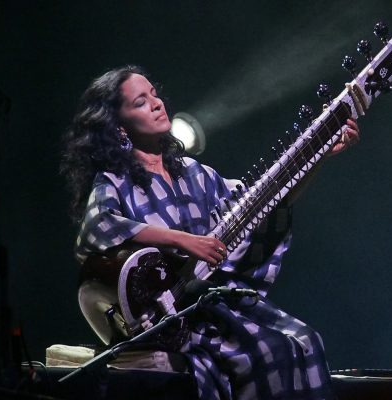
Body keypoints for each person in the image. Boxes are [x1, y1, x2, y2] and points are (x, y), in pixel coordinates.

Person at [61, 65, 359, 400]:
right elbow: (96, 227)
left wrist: (318, 154)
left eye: (155, 95)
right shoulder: (115, 181)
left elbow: (266, 203)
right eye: (141, 103)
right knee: (266, 352)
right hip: (172, 318)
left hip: (215, 303)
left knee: (306, 340)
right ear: (120, 128)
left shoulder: (195, 173)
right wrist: (184, 240)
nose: (157, 104)